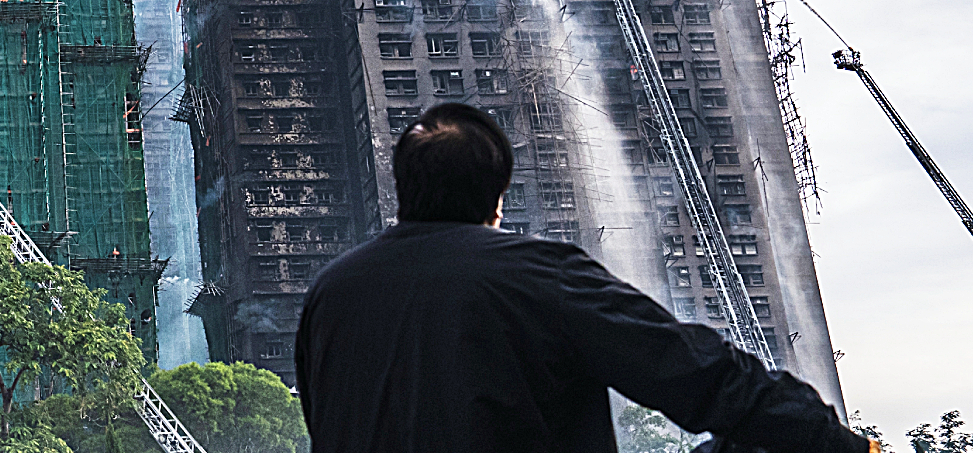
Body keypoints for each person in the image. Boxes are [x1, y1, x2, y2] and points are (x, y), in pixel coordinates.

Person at [296, 102, 873, 453]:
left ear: (404, 189)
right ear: (497, 198)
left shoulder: (330, 292)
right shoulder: (536, 272)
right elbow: (701, 375)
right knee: (771, 445)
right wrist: (841, 445)